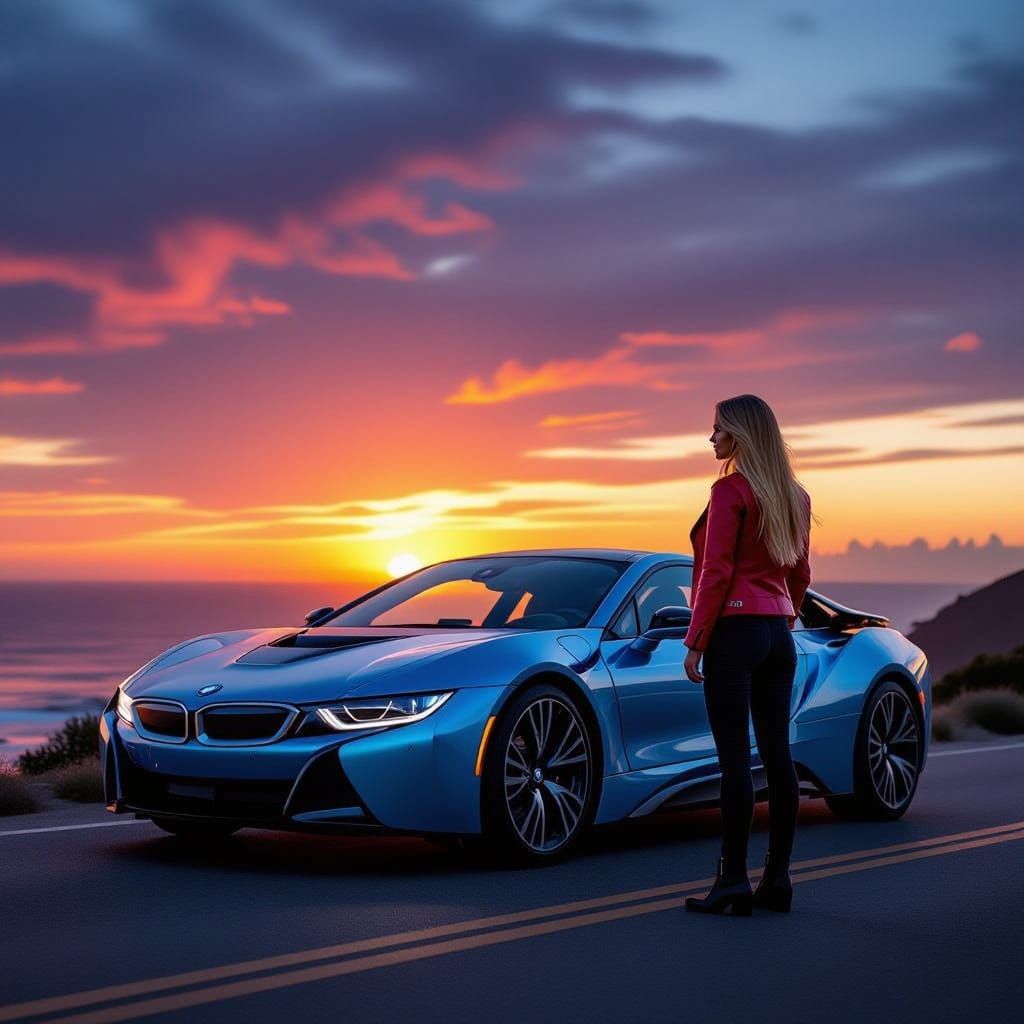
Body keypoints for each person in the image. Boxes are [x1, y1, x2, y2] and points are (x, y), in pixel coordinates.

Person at [682, 394, 813, 916]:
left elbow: (715, 573)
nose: (711, 438)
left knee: (734, 761)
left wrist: (696, 641)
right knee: (778, 756)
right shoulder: (795, 496)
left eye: (717, 429)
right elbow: (800, 575)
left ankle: (732, 882)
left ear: (739, 434)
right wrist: (784, 616)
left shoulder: (729, 491)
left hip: (734, 635)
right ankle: (777, 881)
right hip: (778, 634)